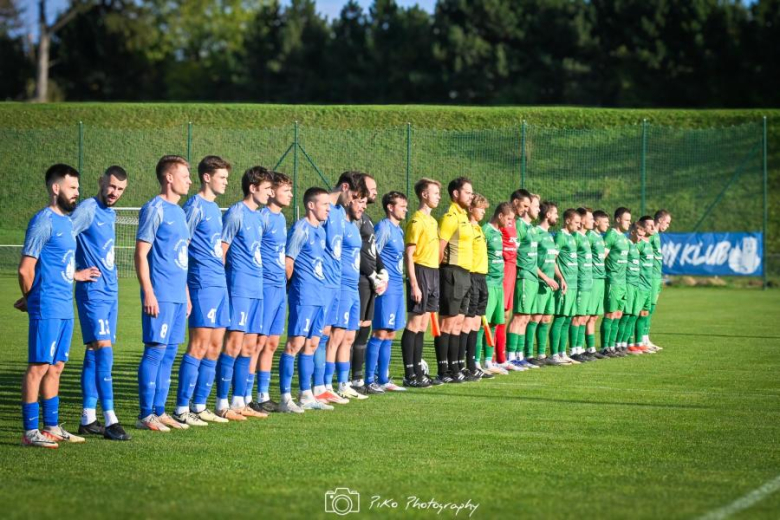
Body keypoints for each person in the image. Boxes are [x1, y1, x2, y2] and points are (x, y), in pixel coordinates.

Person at [18, 164, 93, 447]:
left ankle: (51, 426)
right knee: (38, 366)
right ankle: (30, 431)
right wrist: (32, 299)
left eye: (77, 188)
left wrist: (75, 275)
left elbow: (58, 264)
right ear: (55, 188)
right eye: (72, 187)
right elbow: (26, 269)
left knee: (57, 366)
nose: (77, 193)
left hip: (64, 305)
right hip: (47, 306)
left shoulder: (66, 223)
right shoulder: (43, 221)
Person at [170, 156, 231, 426]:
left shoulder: (215, 209)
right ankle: (182, 408)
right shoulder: (194, 206)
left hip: (220, 284)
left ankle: (200, 405)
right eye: (222, 177)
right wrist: (185, 286)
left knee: (215, 347)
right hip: (202, 283)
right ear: (207, 177)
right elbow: (181, 246)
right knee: (198, 346)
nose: (226, 182)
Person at [72, 165, 131, 440]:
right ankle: (110, 420)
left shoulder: (111, 213)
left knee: (94, 353)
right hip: (92, 292)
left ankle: (87, 418)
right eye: (111, 186)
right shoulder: (87, 208)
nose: (114, 193)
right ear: (100, 181)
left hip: (110, 292)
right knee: (104, 351)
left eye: (119, 189)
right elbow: (61, 237)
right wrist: (75, 272)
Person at [134, 155, 193, 432]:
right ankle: (145, 414)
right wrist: (148, 292)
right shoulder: (154, 208)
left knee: (170, 353)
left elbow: (181, 257)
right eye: (185, 175)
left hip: (178, 296)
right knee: (155, 352)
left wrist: (187, 294)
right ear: (169, 177)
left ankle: (160, 410)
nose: (189, 181)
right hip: (160, 294)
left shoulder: (180, 212)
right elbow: (141, 254)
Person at [216, 167, 273, 420]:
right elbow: (222, 250)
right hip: (238, 287)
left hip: (257, 288)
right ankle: (221, 403)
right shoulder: (235, 213)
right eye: (266, 188)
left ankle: (239, 401)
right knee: (234, 344)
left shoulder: (259, 217)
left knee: (250, 346)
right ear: (253, 188)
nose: (270, 193)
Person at [313, 172, 363, 405]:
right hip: (328, 283)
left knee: (343, 335)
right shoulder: (325, 212)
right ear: (344, 187)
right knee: (324, 336)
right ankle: (319, 385)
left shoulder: (340, 215)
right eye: (354, 195)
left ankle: (333, 385)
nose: (354, 201)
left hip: (341, 284)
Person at [252, 171, 294, 412]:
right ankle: (246, 394)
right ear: (272, 191)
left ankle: (264, 394)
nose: (290, 195)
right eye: (285, 190)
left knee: (271, 343)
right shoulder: (263, 217)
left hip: (279, 288)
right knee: (258, 342)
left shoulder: (280, 220)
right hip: (265, 287)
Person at [328, 193, 373, 400]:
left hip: (353, 285)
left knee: (348, 337)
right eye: (360, 202)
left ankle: (343, 384)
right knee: (336, 336)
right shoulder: (339, 221)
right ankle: (325, 385)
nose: (363, 207)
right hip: (341, 286)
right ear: (350, 200)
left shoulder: (354, 226)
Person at [401, 178, 441, 386]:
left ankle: (419, 370)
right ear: (424, 195)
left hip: (433, 272)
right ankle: (410, 374)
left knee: (424, 324)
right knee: (414, 322)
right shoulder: (416, 221)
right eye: (435, 193)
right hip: (421, 272)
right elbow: (409, 254)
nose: (438, 197)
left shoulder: (433, 221)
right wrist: (414, 284)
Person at [367, 191, 409, 390]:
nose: (405, 209)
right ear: (390, 207)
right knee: (380, 332)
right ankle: (369, 379)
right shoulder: (383, 227)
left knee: (391, 333)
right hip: (386, 288)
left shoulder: (398, 230)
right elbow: (372, 253)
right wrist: (377, 279)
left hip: (397, 287)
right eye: (401, 206)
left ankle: (383, 379)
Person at [435, 177, 475, 384]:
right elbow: (440, 248)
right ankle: (444, 370)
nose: (471, 196)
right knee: (447, 324)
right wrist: (439, 273)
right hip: (452, 272)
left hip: (465, 274)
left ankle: (456, 367)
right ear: (456, 194)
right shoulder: (450, 217)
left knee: (459, 323)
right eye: (467, 192)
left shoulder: (464, 217)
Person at [353, 174, 388, 395]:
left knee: (365, 330)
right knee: (353, 331)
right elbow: (357, 252)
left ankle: (358, 379)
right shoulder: (353, 219)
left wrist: (381, 268)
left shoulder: (366, 218)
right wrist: (371, 274)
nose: (375, 192)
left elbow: (372, 250)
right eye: (372, 188)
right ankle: (345, 380)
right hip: (359, 280)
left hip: (370, 279)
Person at [476, 202, 514, 375]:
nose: (510, 223)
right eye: (508, 219)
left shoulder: (499, 233)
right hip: (488, 283)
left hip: (499, 284)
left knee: (492, 323)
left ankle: (488, 361)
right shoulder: (485, 231)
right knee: (481, 323)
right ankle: (475, 361)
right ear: (500, 216)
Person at [506, 189, 541, 370]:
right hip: (524, 277)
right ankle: (510, 355)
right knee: (519, 316)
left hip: (532, 277)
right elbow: (514, 250)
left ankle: (519, 355)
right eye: (534, 206)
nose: (537, 210)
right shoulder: (519, 225)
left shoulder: (531, 229)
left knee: (526, 317)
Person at [463, 194, 493, 380]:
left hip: (483, 277)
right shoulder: (467, 227)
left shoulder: (480, 229)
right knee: (467, 322)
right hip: (471, 276)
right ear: (471, 208)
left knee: (476, 322)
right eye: (480, 208)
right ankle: (464, 364)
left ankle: (473, 364)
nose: (483, 212)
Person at [529, 201, 562, 366]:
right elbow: (530, 261)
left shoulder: (550, 236)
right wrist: (545, 278)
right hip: (539, 283)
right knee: (535, 318)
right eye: (555, 213)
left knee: (546, 319)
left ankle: (541, 354)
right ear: (548, 214)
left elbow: (552, 261)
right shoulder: (535, 233)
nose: (557, 216)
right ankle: (528, 355)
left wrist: (560, 277)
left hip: (550, 284)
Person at [549, 209, 581, 365]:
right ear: (568, 221)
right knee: (560, 318)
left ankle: (562, 352)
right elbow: (552, 260)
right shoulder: (561, 236)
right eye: (576, 222)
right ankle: (554, 354)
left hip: (573, 285)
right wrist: (561, 277)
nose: (578, 225)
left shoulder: (572, 237)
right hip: (565, 285)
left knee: (568, 319)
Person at [601, 207, 632, 357]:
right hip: (612, 280)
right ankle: (605, 347)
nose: (629, 223)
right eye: (626, 220)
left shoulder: (625, 238)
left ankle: (613, 346)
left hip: (622, 282)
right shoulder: (611, 235)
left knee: (619, 314)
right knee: (610, 314)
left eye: (630, 220)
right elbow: (602, 258)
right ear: (618, 220)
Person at [570, 207, 595, 362]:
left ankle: (580, 348)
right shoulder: (576, 237)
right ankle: (574, 350)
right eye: (590, 218)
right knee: (578, 317)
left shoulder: (586, 237)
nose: (592, 221)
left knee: (584, 316)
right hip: (578, 283)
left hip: (587, 283)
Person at [646, 209, 671, 350]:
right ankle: (639, 339)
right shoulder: (650, 235)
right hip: (648, 277)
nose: (667, 226)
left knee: (651, 308)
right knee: (645, 309)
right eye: (667, 222)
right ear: (660, 220)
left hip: (655, 277)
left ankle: (645, 338)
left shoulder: (656, 236)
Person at [586, 210, 610, 358]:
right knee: (587, 315)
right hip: (593, 279)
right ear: (596, 222)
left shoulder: (600, 238)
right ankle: (587, 348)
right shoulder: (589, 236)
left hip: (601, 278)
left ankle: (592, 348)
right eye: (605, 222)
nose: (608, 225)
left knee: (594, 316)